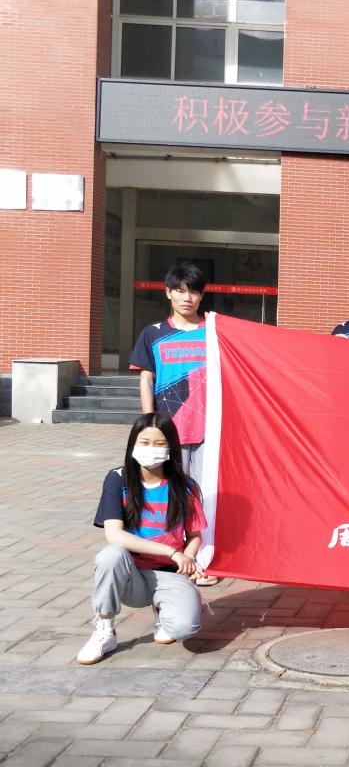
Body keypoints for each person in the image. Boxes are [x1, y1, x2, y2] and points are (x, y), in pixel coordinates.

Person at [77, 413, 208, 664]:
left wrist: (188, 559)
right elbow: (114, 534)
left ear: (171, 447)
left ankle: (163, 609)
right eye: (144, 442)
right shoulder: (118, 479)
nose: (151, 449)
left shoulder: (186, 486)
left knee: (184, 628)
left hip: (169, 573)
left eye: (159, 444)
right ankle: (105, 629)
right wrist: (171, 552)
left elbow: (194, 536)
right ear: (133, 444)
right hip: (131, 575)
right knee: (110, 555)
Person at [129, 263, 218, 585]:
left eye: (194, 291)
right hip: (169, 431)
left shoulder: (215, 332)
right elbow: (146, 378)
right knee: (174, 494)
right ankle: (174, 556)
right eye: (180, 291)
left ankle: (203, 561)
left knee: (206, 497)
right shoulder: (153, 333)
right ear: (168, 293)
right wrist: (149, 423)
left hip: (210, 430)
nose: (187, 297)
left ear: (202, 295)